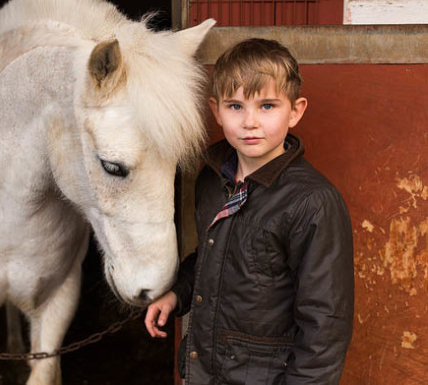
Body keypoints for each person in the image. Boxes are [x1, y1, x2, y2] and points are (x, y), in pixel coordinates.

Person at [144, 38, 354, 384]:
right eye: (236, 106)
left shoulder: (312, 202)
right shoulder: (212, 180)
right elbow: (214, 256)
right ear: (216, 111)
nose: (250, 122)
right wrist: (177, 293)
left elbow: (325, 322)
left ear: (296, 111)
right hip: (205, 371)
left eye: (267, 106)